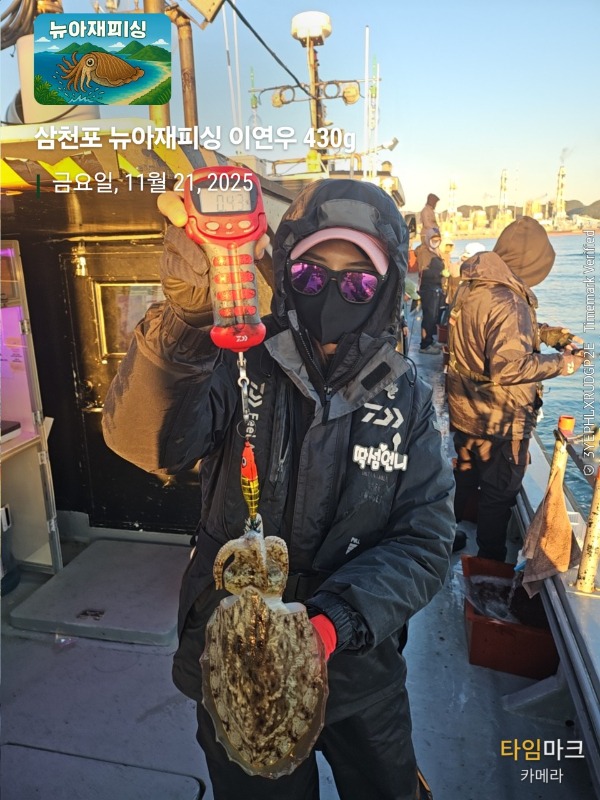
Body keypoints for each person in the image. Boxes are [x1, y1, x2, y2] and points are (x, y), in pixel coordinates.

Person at [102, 179, 455, 800]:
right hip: (234, 655)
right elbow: (146, 444)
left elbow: (424, 540)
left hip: (358, 667)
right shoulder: (237, 354)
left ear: (385, 290)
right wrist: (187, 321)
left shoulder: (408, 397)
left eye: (358, 283)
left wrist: (336, 623)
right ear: (287, 273)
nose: (332, 293)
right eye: (312, 274)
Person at [447, 217, 585, 562]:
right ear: (531, 263)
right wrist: (564, 363)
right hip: (501, 417)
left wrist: (549, 335)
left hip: (467, 408)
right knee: (498, 493)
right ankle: (490, 560)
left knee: (465, 475)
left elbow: (494, 331)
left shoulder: (475, 285)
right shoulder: (510, 301)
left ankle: (442, 539)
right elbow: (508, 366)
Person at [416, 228, 445, 354]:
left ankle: (430, 340)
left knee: (434, 317)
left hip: (436, 288)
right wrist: (441, 273)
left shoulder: (435, 252)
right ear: (428, 239)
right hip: (428, 289)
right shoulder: (424, 252)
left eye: (438, 240)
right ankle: (425, 344)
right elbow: (424, 272)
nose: (436, 242)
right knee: (429, 317)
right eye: (434, 239)